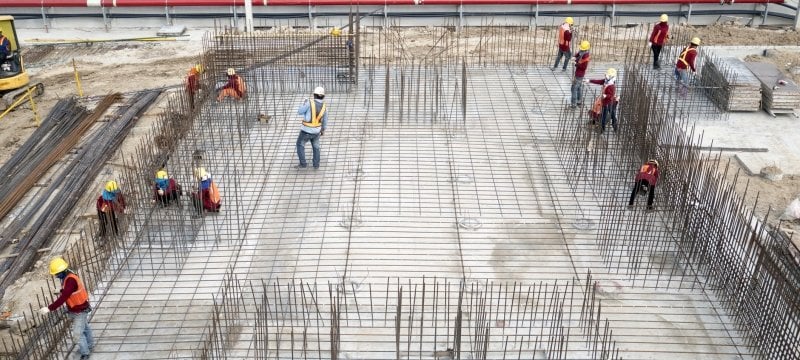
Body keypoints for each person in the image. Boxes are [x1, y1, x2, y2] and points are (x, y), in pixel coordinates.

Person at [39, 258, 95, 360]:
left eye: (57, 274)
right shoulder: (68, 276)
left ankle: (85, 353)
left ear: (62, 271)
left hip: (80, 310)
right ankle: (90, 345)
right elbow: (69, 291)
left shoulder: (70, 280)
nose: (56, 276)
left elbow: (64, 297)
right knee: (85, 328)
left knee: (77, 334)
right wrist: (61, 290)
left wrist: (49, 308)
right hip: (79, 308)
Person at [295, 86, 329, 170]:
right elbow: (325, 120)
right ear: (323, 96)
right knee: (316, 147)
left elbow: (300, 111)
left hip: (306, 131)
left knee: (300, 145)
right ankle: (316, 165)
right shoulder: (324, 106)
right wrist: (323, 130)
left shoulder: (309, 102)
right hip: (317, 131)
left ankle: (303, 164)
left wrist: (304, 103)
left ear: (314, 95)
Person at [586, 68, 619, 133]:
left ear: (612, 77)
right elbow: (599, 81)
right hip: (604, 102)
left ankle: (614, 126)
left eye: (608, 75)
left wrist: (606, 96)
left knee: (612, 115)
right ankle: (602, 128)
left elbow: (611, 95)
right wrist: (590, 80)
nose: (606, 76)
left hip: (609, 103)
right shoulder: (606, 81)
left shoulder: (611, 86)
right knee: (603, 115)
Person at [570, 40, 591, 108]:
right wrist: (575, 57)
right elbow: (578, 54)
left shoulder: (586, 57)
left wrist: (576, 64)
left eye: (582, 49)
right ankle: (579, 102)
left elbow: (583, 67)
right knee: (578, 87)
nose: (581, 49)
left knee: (574, 89)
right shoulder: (582, 51)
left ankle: (574, 104)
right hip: (578, 73)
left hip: (579, 74)